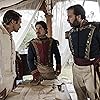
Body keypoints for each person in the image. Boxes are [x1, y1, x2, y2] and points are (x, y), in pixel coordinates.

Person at [66, 4, 100, 100]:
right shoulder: (71, 32)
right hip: (76, 68)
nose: (68, 19)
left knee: (95, 96)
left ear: (79, 17)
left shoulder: (95, 28)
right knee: (80, 95)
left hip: (91, 68)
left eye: (70, 16)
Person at [0, 10, 22, 99]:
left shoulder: (10, 37)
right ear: (13, 21)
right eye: (19, 23)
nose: (20, 26)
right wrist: (1, 86)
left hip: (9, 83)